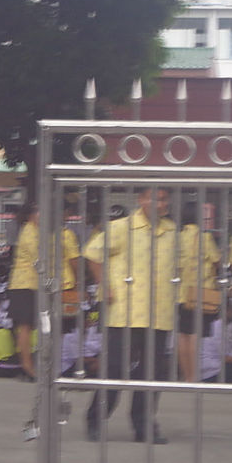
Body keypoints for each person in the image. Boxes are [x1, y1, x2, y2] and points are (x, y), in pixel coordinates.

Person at [84, 187, 176, 444]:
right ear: (142, 200)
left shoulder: (171, 232)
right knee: (114, 368)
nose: (160, 203)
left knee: (152, 372)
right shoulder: (122, 227)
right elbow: (92, 253)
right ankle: (95, 419)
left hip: (159, 313)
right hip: (123, 312)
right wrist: (105, 284)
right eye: (155, 198)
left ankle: (144, 424)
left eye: (164, 199)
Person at [7, 202, 80, 381]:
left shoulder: (45, 232)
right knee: (26, 326)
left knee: (44, 326)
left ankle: (41, 364)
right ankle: (27, 365)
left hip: (39, 285)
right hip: (25, 284)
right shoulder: (29, 231)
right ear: (31, 215)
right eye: (39, 213)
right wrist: (50, 287)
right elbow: (41, 263)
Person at [177, 201, 221, 382]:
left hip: (179, 292)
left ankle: (186, 375)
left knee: (182, 335)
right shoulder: (203, 237)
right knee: (195, 334)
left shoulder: (176, 237)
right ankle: (195, 376)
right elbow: (216, 260)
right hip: (200, 292)